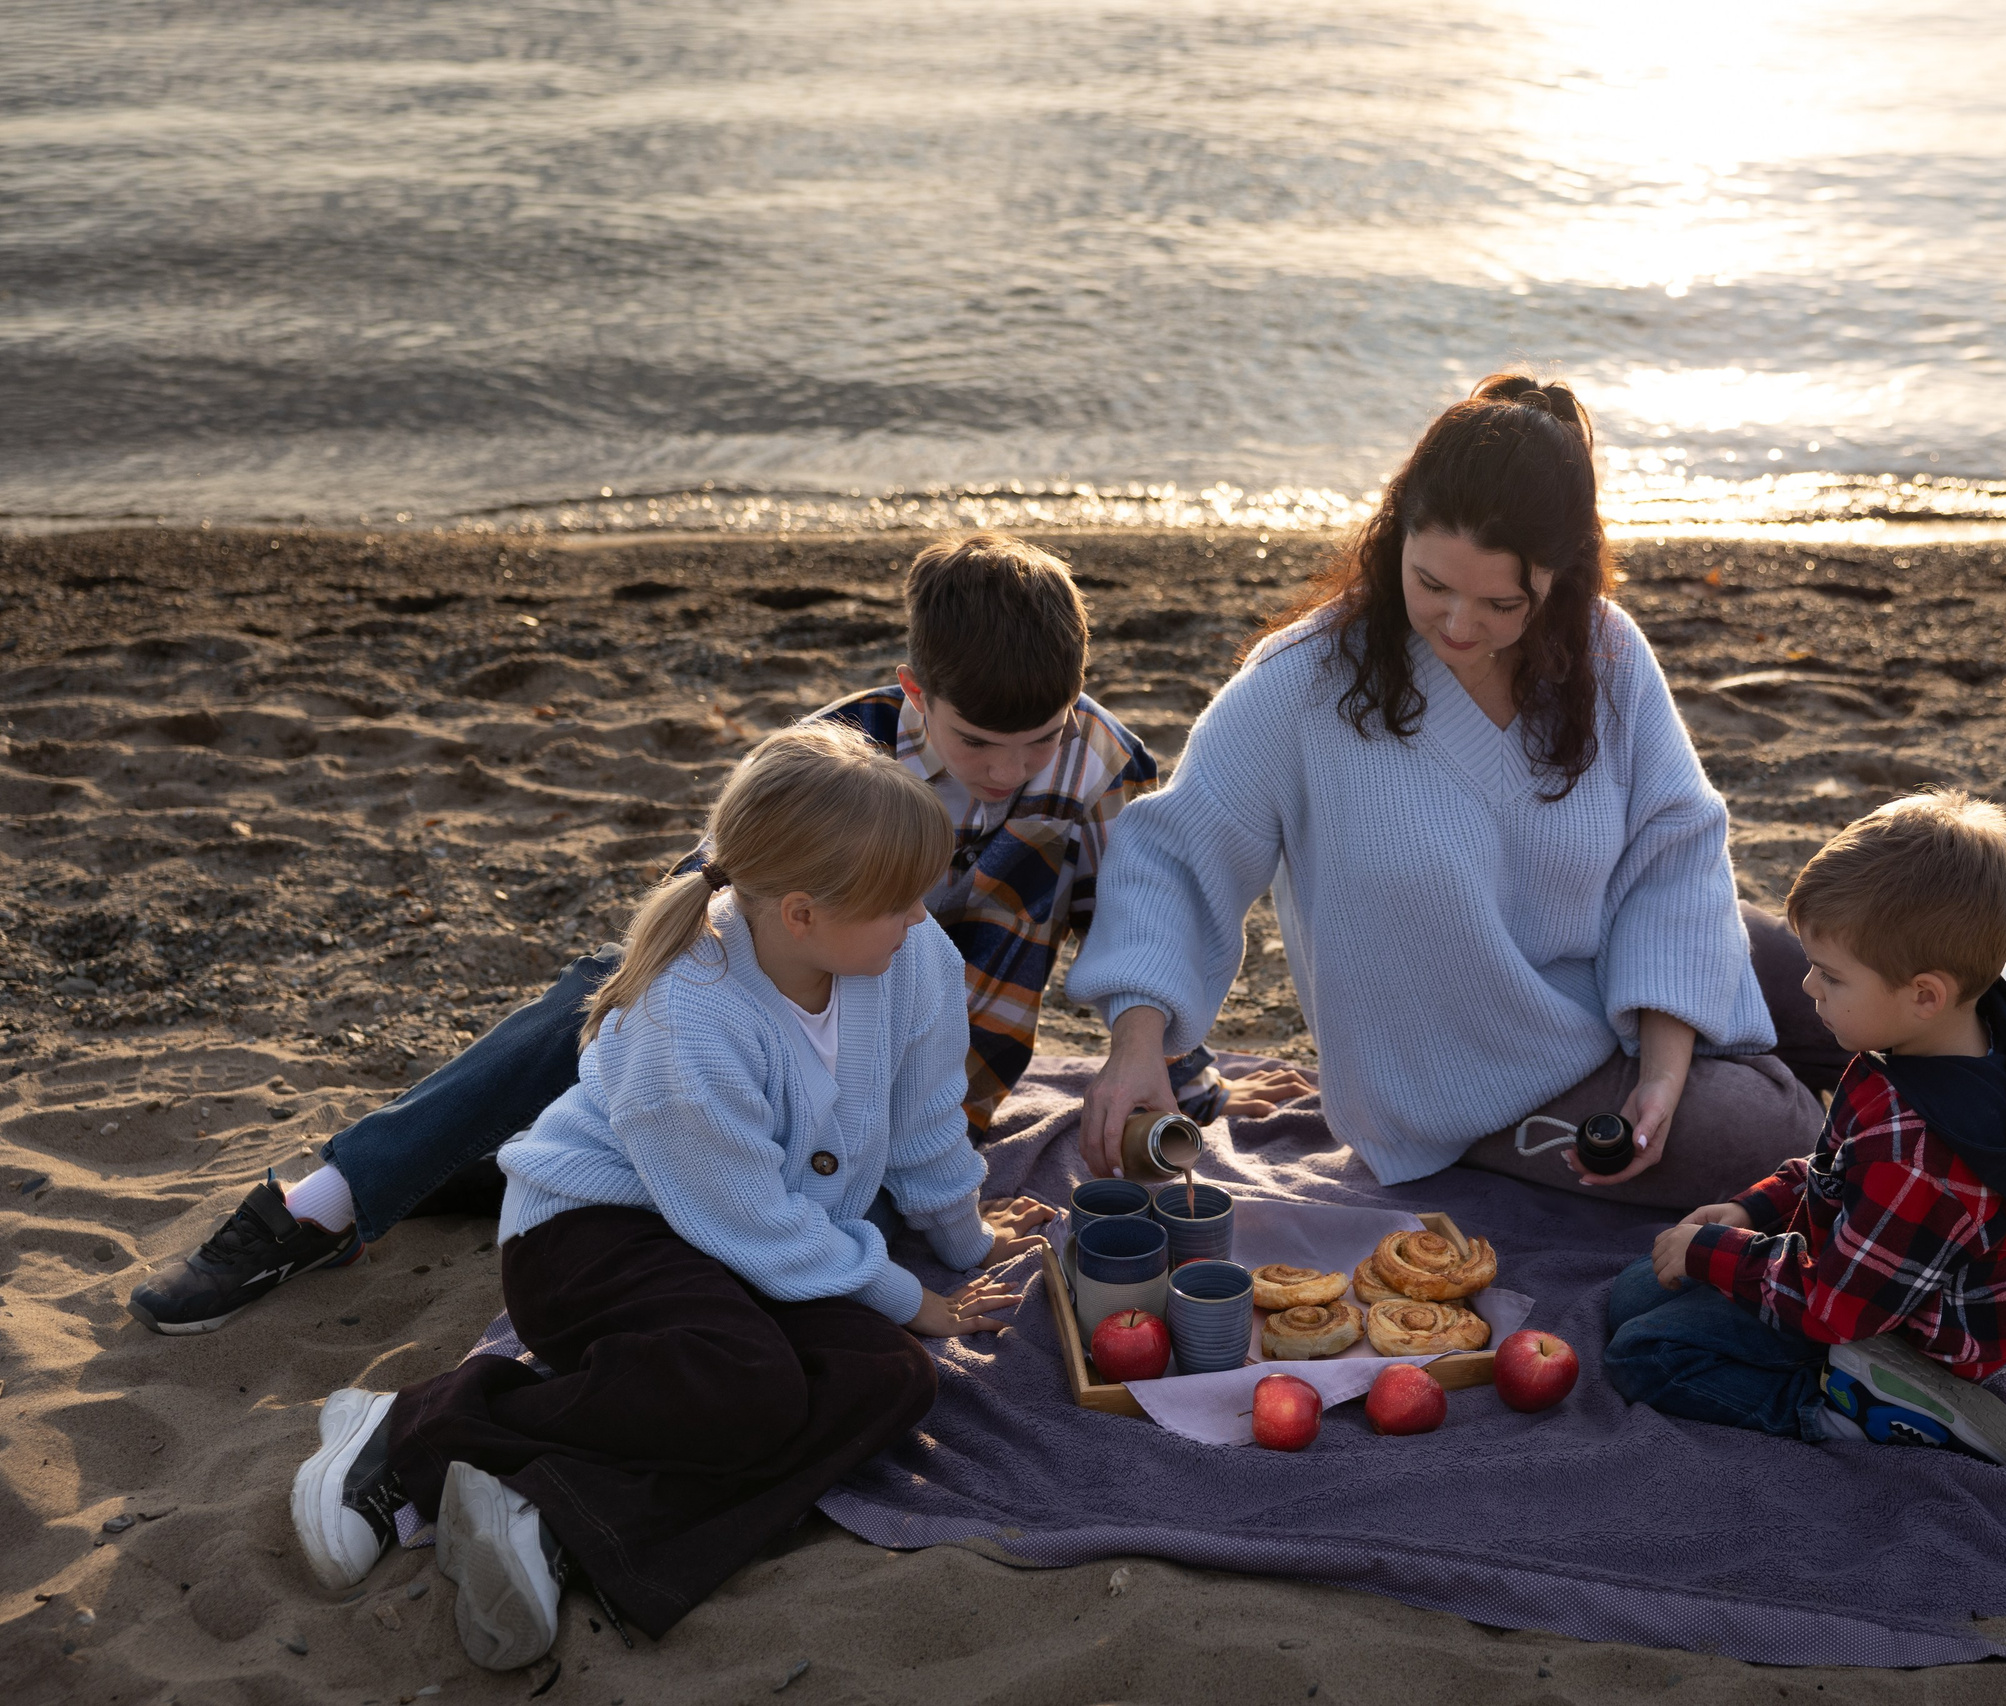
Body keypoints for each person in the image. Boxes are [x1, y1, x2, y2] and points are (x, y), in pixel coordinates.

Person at [129, 532, 1304, 1335]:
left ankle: (495, 1166)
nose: (1007, 770)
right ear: (914, 692)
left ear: (1078, 699)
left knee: (755, 1210)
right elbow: (701, 911)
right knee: (607, 986)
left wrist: (1180, 1066)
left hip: (920, 1083)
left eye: (1037, 738)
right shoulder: (839, 749)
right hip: (762, 1029)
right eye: (974, 742)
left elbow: (1140, 917)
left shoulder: (1096, 760)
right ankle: (329, 1199)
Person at [289, 722, 1050, 1668]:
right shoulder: (687, 1010)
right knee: (746, 1381)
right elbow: (745, 1220)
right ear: (802, 914)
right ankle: (416, 1425)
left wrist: (967, 1240)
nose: (920, 918)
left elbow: (928, 1119)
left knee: (888, 1378)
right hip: (593, 1238)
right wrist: (907, 1294)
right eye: (897, 904)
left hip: (749, 1245)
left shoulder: (914, 958)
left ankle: (556, 1516)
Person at [1069, 373, 1834, 1205]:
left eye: (1501, 602)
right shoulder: (1303, 681)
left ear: (1561, 574)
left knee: (1857, 978)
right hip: (1477, 1072)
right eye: (1432, 585)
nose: (1461, 625)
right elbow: (1178, 858)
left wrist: (1663, 1064)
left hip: (1612, 959)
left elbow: (1674, 849)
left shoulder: (1606, 653)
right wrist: (1137, 1044)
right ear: (1395, 532)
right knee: (1781, 1138)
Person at [1603, 792, 2006, 1464]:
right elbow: (1839, 1170)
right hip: (1866, 1272)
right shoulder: (1927, 1043)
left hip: (1899, 1331)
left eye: (1830, 976)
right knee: (1635, 1292)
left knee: (1643, 1354)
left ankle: (1850, 1407)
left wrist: (1717, 1253)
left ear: (1924, 994)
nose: (1809, 987)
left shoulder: (1920, 1154)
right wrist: (1755, 1208)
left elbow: (1836, 1307)